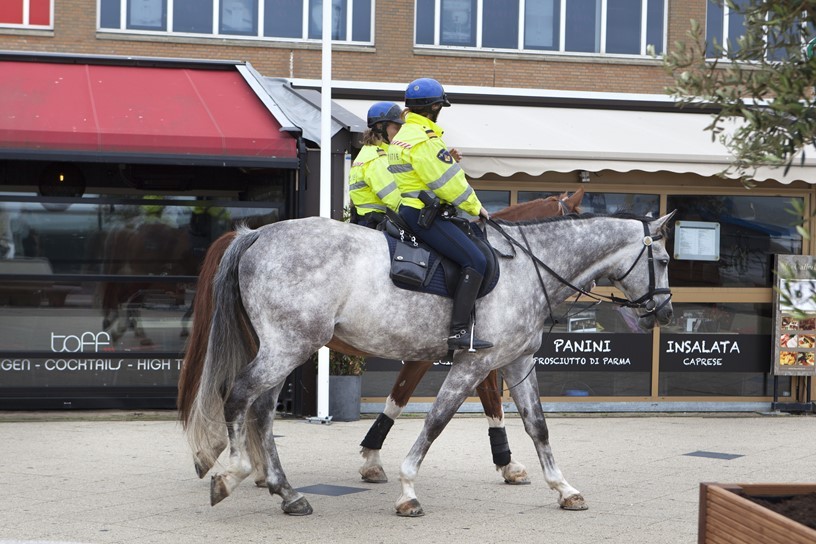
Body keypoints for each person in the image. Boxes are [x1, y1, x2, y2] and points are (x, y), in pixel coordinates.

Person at [388, 77, 492, 351]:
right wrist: (476, 206)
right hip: (425, 215)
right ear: (435, 107)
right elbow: (447, 183)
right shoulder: (424, 140)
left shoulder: (402, 139)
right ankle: (458, 332)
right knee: (476, 260)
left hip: (409, 210)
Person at [348, 102, 403, 229]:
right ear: (380, 126)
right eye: (396, 128)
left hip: (366, 222)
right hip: (375, 225)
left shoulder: (371, 151)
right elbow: (396, 200)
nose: (399, 132)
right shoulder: (376, 159)